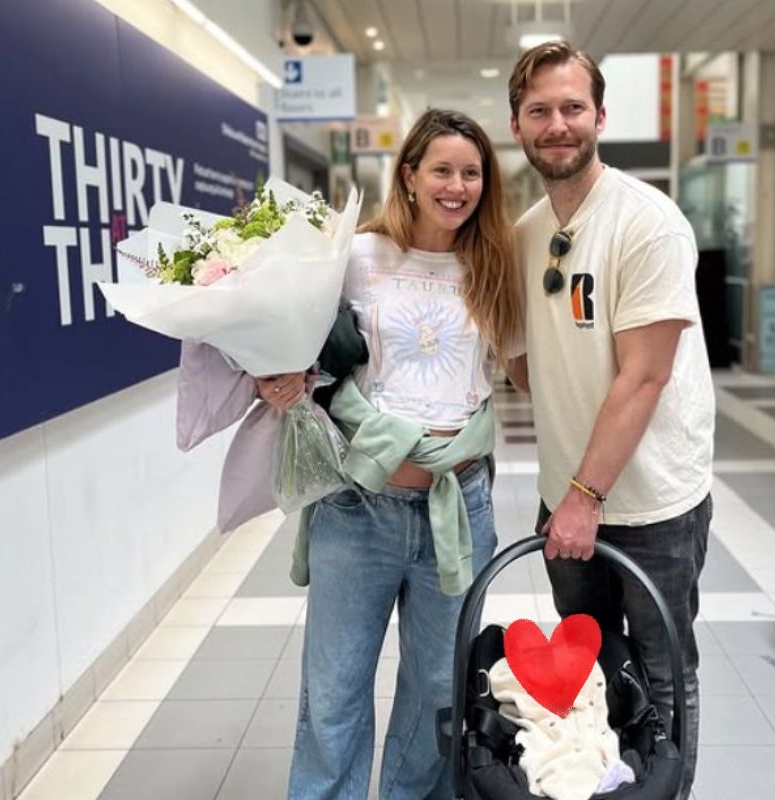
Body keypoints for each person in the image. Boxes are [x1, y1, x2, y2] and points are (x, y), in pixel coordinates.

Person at [257, 108, 523, 799]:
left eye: (471, 172)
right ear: (408, 175)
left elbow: (528, 369)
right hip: (359, 508)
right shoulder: (355, 256)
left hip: (457, 509)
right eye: (442, 169)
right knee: (335, 690)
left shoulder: (495, 265)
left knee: (440, 689)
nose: (457, 186)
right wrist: (278, 375)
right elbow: (304, 357)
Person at [505, 42, 715, 798]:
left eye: (571, 108)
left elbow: (647, 373)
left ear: (599, 115)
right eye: (540, 111)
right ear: (518, 124)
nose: (557, 124)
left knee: (662, 675)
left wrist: (583, 496)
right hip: (572, 502)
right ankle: (605, 784)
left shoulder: (647, 222)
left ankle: (665, 791)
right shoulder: (526, 233)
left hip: (649, 503)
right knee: (588, 670)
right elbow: (524, 361)